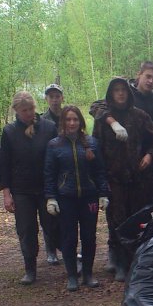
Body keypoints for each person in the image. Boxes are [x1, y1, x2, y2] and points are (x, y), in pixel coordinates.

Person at [90, 77, 153, 281]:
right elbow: (97, 147)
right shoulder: (104, 119)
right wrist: (100, 179)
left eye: (123, 90)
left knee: (136, 220)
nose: (120, 93)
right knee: (116, 220)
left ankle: (135, 260)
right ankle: (120, 261)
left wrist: (149, 155)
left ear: (129, 93)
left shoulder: (139, 116)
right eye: (116, 90)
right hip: (114, 179)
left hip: (138, 179)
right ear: (111, 94)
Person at [44, 105, 109, 291]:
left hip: (89, 198)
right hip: (66, 198)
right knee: (69, 237)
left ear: (80, 121)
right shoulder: (54, 145)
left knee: (89, 236)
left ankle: (88, 274)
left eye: (75, 119)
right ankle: (72, 275)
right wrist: (51, 198)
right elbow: (49, 174)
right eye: (68, 119)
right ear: (63, 122)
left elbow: (100, 171)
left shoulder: (92, 143)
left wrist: (103, 193)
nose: (72, 123)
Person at [0, 91, 59, 285]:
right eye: (24, 110)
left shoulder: (49, 128)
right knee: (26, 229)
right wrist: (6, 194)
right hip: (21, 190)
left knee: (53, 225)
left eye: (31, 109)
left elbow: (58, 157)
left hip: (47, 188)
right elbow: (4, 165)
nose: (29, 113)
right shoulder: (9, 132)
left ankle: (63, 256)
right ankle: (30, 268)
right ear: (16, 111)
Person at [39, 83, 66, 264]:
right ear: (46, 99)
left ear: (62, 98)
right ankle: (50, 249)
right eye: (51, 97)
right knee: (49, 214)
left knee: (66, 212)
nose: (54, 100)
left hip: (66, 170)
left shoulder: (69, 117)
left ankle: (66, 246)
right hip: (49, 169)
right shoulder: (42, 120)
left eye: (57, 96)